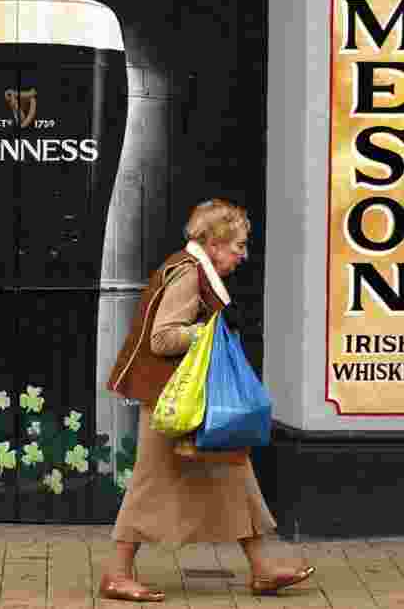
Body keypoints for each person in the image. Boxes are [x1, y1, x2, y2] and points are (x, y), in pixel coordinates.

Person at [101, 198, 314, 601]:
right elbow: (162, 338)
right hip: (172, 403)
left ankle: (264, 567)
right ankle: (116, 573)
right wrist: (206, 333)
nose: (242, 255)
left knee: (233, 472)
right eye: (238, 246)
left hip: (186, 399)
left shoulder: (195, 270)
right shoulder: (187, 275)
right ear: (214, 244)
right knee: (152, 483)